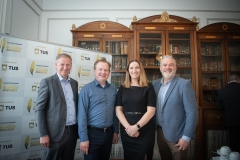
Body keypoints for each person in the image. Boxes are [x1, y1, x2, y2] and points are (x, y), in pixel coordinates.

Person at [152, 55, 198, 160]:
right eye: (165, 65)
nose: (167, 67)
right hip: (160, 133)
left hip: (178, 136)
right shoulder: (154, 85)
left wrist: (186, 137)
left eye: (171, 65)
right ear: (160, 68)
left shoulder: (184, 84)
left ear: (175, 68)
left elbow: (192, 112)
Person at [35, 53, 78, 160]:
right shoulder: (47, 82)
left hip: (72, 132)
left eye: (68, 65)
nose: (65, 67)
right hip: (54, 134)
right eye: (62, 64)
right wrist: (43, 134)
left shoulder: (74, 83)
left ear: (71, 66)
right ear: (56, 65)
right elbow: (39, 109)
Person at [78, 58, 119, 160]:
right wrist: (83, 138)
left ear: (109, 72)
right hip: (92, 135)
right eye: (100, 69)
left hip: (109, 134)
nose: (103, 72)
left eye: (106, 70)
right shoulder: (86, 89)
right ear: (94, 71)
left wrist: (115, 131)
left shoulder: (113, 89)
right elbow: (81, 115)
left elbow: (115, 113)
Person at [116, 59, 156, 160]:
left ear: (141, 70)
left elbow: (151, 111)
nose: (134, 70)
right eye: (131, 68)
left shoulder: (148, 87)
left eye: (137, 67)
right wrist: (129, 128)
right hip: (127, 130)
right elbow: (118, 110)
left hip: (145, 130)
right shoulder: (123, 88)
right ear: (128, 71)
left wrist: (136, 127)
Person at [217, 74, 240, 152]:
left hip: (231, 121)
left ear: (228, 82)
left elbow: (219, 107)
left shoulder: (222, 91)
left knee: (234, 144)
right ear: (239, 81)